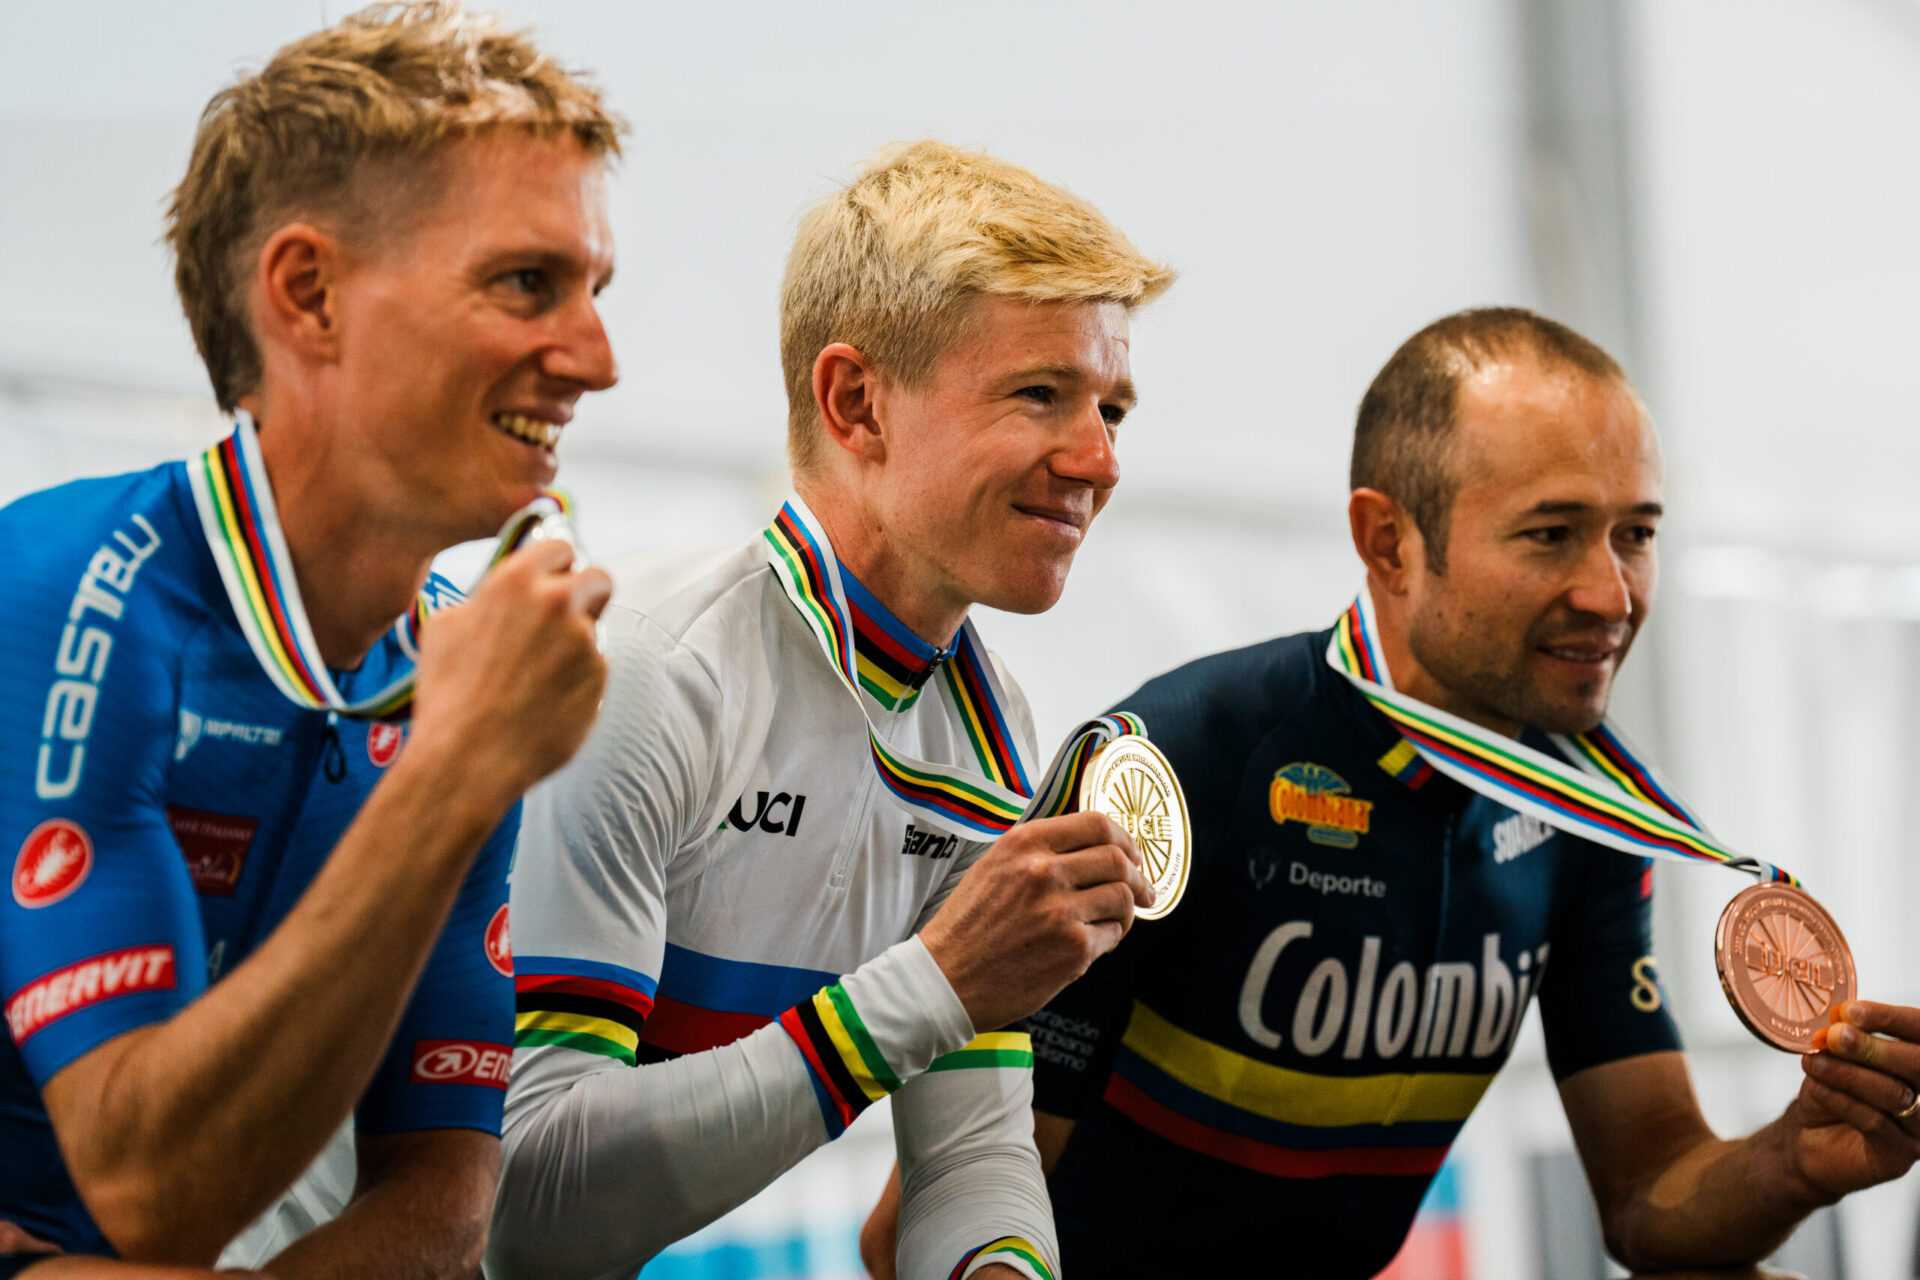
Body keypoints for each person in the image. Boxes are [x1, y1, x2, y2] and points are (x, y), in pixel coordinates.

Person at [861, 307, 1920, 1278]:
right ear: (1389, 541)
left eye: (1634, 532)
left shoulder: (1586, 804)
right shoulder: (1184, 760)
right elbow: (914, 1230)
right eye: (1550, 533)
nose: (1610, 594)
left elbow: (1648, 1193)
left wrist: (1796, 1157)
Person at [0, 5, 619, 1277]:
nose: (596, 358)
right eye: (526, 283)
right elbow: (150, 1189)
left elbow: (445, 1197)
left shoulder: (444, 664)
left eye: (595, 291)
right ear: (309, 293)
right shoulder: (62, 592)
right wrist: (452, 773)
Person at [488, 140, 1172, 1280]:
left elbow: (968, 1164)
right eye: (1041, 393)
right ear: (857, 401)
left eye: (1112, 404)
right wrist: (938, 981)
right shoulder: (651, 668)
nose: (1098, 457)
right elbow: (526, 1213)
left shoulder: (987, 723)